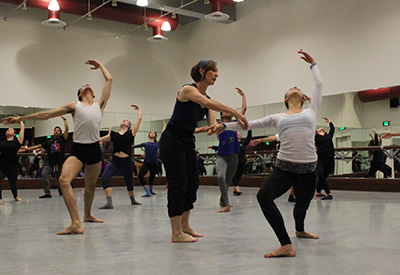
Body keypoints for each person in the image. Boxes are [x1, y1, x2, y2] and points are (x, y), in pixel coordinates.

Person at [212, 50, 321, 257]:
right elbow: (247, 124)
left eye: (298, 87)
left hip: (308, 168)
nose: (295, 88)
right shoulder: (278, 116)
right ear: (286, 98)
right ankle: (286, 244)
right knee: (264, 197)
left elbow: (319, 86)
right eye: (291, 88)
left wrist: (313, 64)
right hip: (285, 167)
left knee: (302, 205)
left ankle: (299, 230)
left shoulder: (312, 111)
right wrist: (224, 126)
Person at [2, 59, 112, 235]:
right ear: (80, 95)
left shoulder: (99, 105)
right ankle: (75, 222)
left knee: (90, 187)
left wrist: (100, 66)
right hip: (78, 149)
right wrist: (19, 119)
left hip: (94, 150)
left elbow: (109, 80)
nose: (87, 86)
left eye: (89, 86)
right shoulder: (74, 106)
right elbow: (46, 114)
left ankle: (87, 215)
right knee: (63, 180)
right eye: (84, 87)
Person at [159, 59, 248, 242]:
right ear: (202, 71)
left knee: (192, 183)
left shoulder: (206, 100)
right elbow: (209, 103)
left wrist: (218, 127)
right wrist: (236, 112)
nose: (217, 74)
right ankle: (176, 233)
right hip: (172, 139)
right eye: (213, 71)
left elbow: (212, 123)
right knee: (178, 184)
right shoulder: (187, 90)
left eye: (217, 71)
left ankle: (185, 225)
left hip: (187, 141)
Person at [98, 105, 142, 209]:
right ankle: (109, 202)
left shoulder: (131, 133)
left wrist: (139, 109)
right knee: (104, 178)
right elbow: (100, 139)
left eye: (126, 120)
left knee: (129, 181)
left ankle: (133, 200)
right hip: (115, 160)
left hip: (126, 161)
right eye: (123, 120)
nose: (124, 120)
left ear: (129, 125)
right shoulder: (114, 134)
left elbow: (139, 119)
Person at [212, 88, 247, 213]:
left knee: (227, 180)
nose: (226, 112)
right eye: (224, 111)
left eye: (229, 112)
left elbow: (244, 110)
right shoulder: (218, 125)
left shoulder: (235, 124)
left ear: (232, 114)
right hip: (222, 156)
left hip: (234, 156)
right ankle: (226, 204)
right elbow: (210, 112)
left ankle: (223, 201)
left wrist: (243, 96)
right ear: (221, 114)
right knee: (221, 177)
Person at [25, 116, 69, 198]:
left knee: (59, 178)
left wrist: (65, 120)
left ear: (60, 132)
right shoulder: (49, 142)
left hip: (59, 162)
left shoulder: (62, 140)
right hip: (50, 162)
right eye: (55, 130)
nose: (56, 131)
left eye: (58, 130)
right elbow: (38, 146)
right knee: (44, 174)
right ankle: (47, 193)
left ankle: (61, 191)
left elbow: (67, 129)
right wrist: (27, 148)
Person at [133, 120, 166, 197]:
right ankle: (147, 191)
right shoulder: (146, 144)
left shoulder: (158, 144)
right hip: (147, 162)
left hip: (155, 163)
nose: (152, 133)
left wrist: (164, 125)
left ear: (155, 135)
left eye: (153, 133)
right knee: (140, 175)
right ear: (149, 135)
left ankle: (151, 191)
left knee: (152, 178)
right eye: (150, 133)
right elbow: (135, 146)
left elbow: (163, 134)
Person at [0, 119, 25, 205]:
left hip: (13, 166)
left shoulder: (17, 142)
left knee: (13, 184)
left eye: (11, 129)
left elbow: (22, 130)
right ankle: (0, 199)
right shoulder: (2, 143)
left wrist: (20, 120)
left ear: (14, 134)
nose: (8, 130)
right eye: (8, 129)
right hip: (2, 166)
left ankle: (15, 197)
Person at [315, 117, 335, 200]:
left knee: (324, 176)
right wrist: (317, 132)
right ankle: (328, 193)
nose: (321, 130)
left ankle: (318, 191)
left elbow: (332, 130)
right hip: (321, 159)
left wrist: (330, 122)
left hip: (330, 159)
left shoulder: (328, 136)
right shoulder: (317, 138)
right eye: (319, 130)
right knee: (320, 175)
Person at [232, 130, 252, 196]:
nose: (239, 135)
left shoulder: (243, 143)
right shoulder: (232, 143)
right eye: (237, 134)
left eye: (240, 134)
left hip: (242, 161)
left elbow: (249, 137)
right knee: (234, 174)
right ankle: (237, 188)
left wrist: (249, 129)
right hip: (234, 161)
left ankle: (235, 188)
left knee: (239, 174)